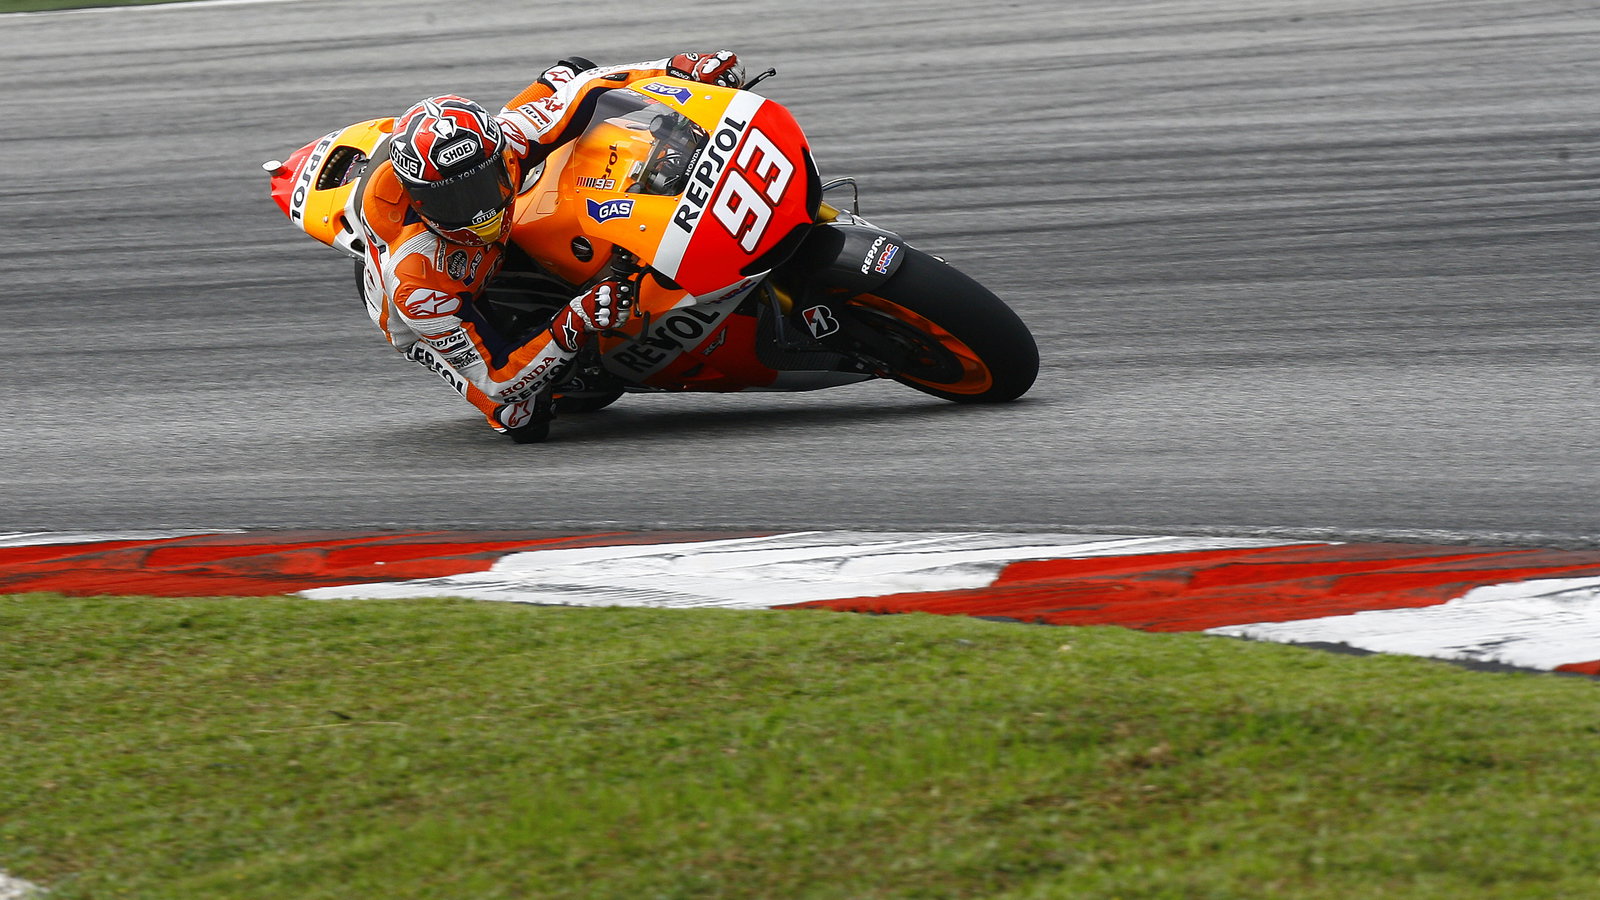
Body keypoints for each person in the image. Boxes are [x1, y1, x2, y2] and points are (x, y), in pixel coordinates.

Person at [354, 51, 742, 443]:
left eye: (486, 183)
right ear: (419, 201)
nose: (478, 209)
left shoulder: (506, 141)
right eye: (454, 201)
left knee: (571, 71)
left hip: (495, 243)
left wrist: (676, 68)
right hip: (434, 307)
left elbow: (587, 88)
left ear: (500, 155)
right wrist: (574, 320)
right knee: (521, 414)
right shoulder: (416, 282)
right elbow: (497, 379)